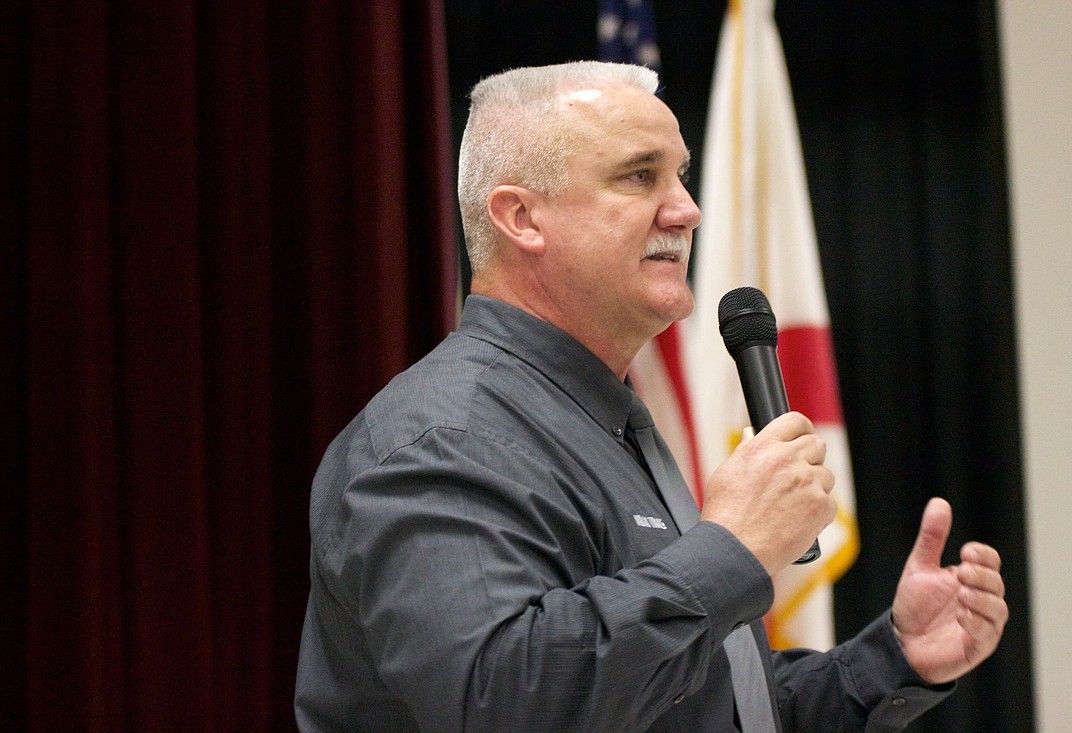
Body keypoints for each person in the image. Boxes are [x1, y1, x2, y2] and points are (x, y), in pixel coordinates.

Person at [294, 61, 1008, 732]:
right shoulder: (445, 436)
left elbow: (700, 707)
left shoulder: (607, 420)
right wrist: (730, 551)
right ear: (521, 218)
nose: (688, 211)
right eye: (640, 176)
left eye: (682, 176)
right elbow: (507, 701)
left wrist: (895, 657)